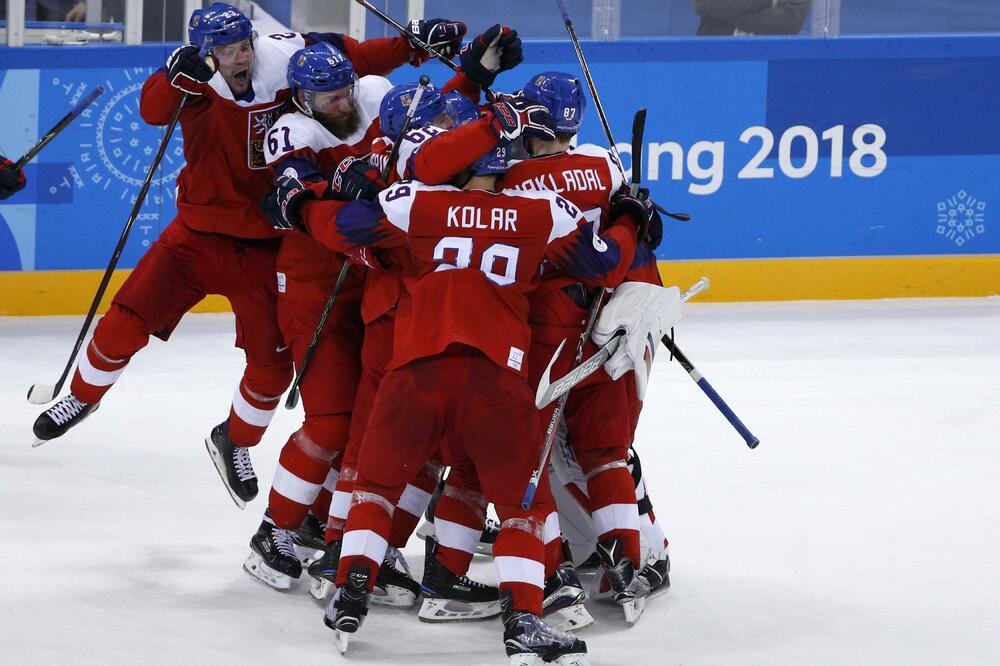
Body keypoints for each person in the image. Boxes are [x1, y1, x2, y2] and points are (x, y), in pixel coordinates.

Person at [30, 1, 462, 509]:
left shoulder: (282, 62)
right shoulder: (192, 77)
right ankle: (81, 397)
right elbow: (152, 109)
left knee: (271, 366)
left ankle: (234, 439)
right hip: (195, 235)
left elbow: (352, 58)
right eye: (226, 51)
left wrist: (412, 45)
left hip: (264, 245)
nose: (239, 59)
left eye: (243, 47)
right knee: (127, 317)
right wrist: (175, 80)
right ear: (205, 52)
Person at [692, 0, 811, 35]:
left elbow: (791, 21)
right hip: (714, 57)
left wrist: (725, 11)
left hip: (768, 65)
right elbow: (703, 4)